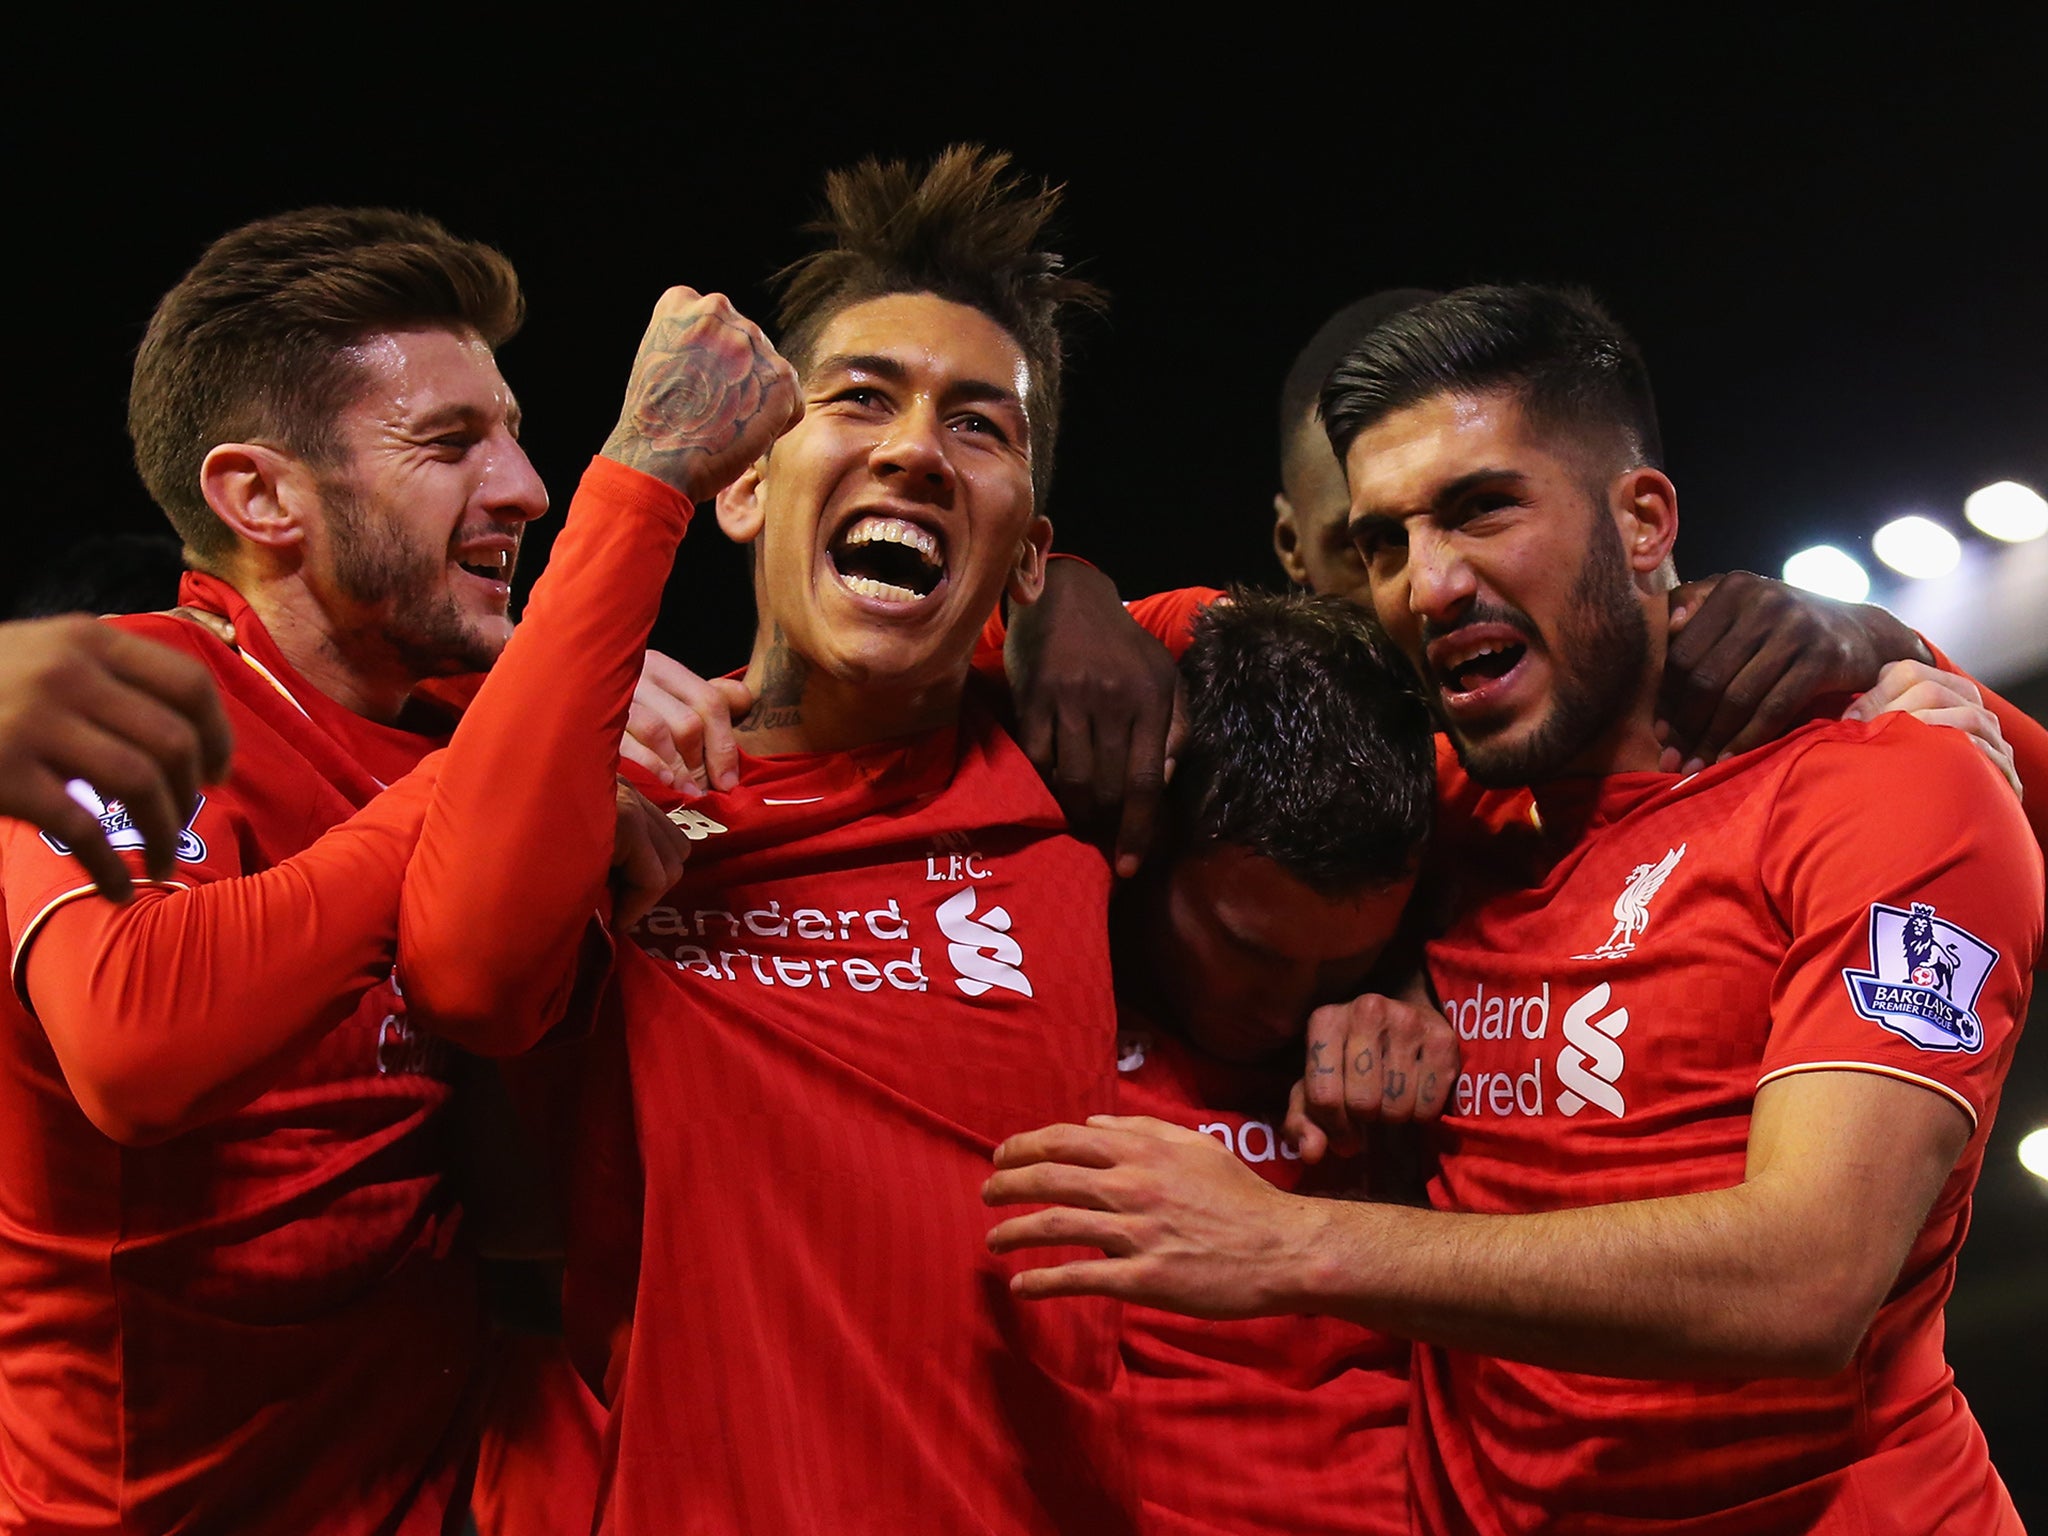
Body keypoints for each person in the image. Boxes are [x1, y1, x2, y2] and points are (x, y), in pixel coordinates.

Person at [985, 283, 2041, 1533]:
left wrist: (1285, 1245)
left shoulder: (1889, 780)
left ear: (1644, 517)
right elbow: (1232, 661)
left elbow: (1807, 1283)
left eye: (1483, 507)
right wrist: (1060, 589)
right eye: (1381, 542)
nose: (1426, 585)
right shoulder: (1432, 812)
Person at [399, 146, 1139, 1534]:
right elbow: (471, 976)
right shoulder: (611, 798)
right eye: (860, 398)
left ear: (1023, 559)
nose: (917, 446)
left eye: (981, 426)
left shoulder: (1081, 801)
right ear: (743, 489)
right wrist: (639, 478)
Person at [0, 207, 552, 1535]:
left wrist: (1096, 601)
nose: (527, 485)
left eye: (513, 430)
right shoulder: (116, 695)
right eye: (449, 443)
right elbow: (135, 1043)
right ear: (261, 498)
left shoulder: (449, 727)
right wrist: (511, 763)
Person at [1108, 588, 1441, 1536]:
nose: (1291, 1003)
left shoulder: (1445, 963)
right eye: (1249, 949)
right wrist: (1072, 586)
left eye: (1344, 960)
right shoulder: (1026, 930)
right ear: (1147, 836)